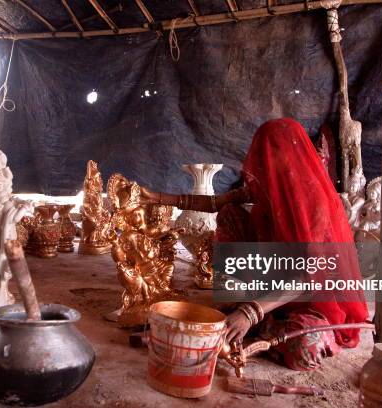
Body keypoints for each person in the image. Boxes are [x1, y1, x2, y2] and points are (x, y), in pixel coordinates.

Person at [140, 118, 368, 371]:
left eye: (270, 156)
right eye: (261, 155)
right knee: (230, 213)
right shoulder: (268, 187)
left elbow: (311, 275)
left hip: (316, 300)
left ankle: (265, 326)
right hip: (273, 288)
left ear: (290, 156)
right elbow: (215, 204)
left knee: (305, 349)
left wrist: (251, 312)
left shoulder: (315, 206)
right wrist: (155, 197)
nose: (263, 163)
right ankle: (263, 323)